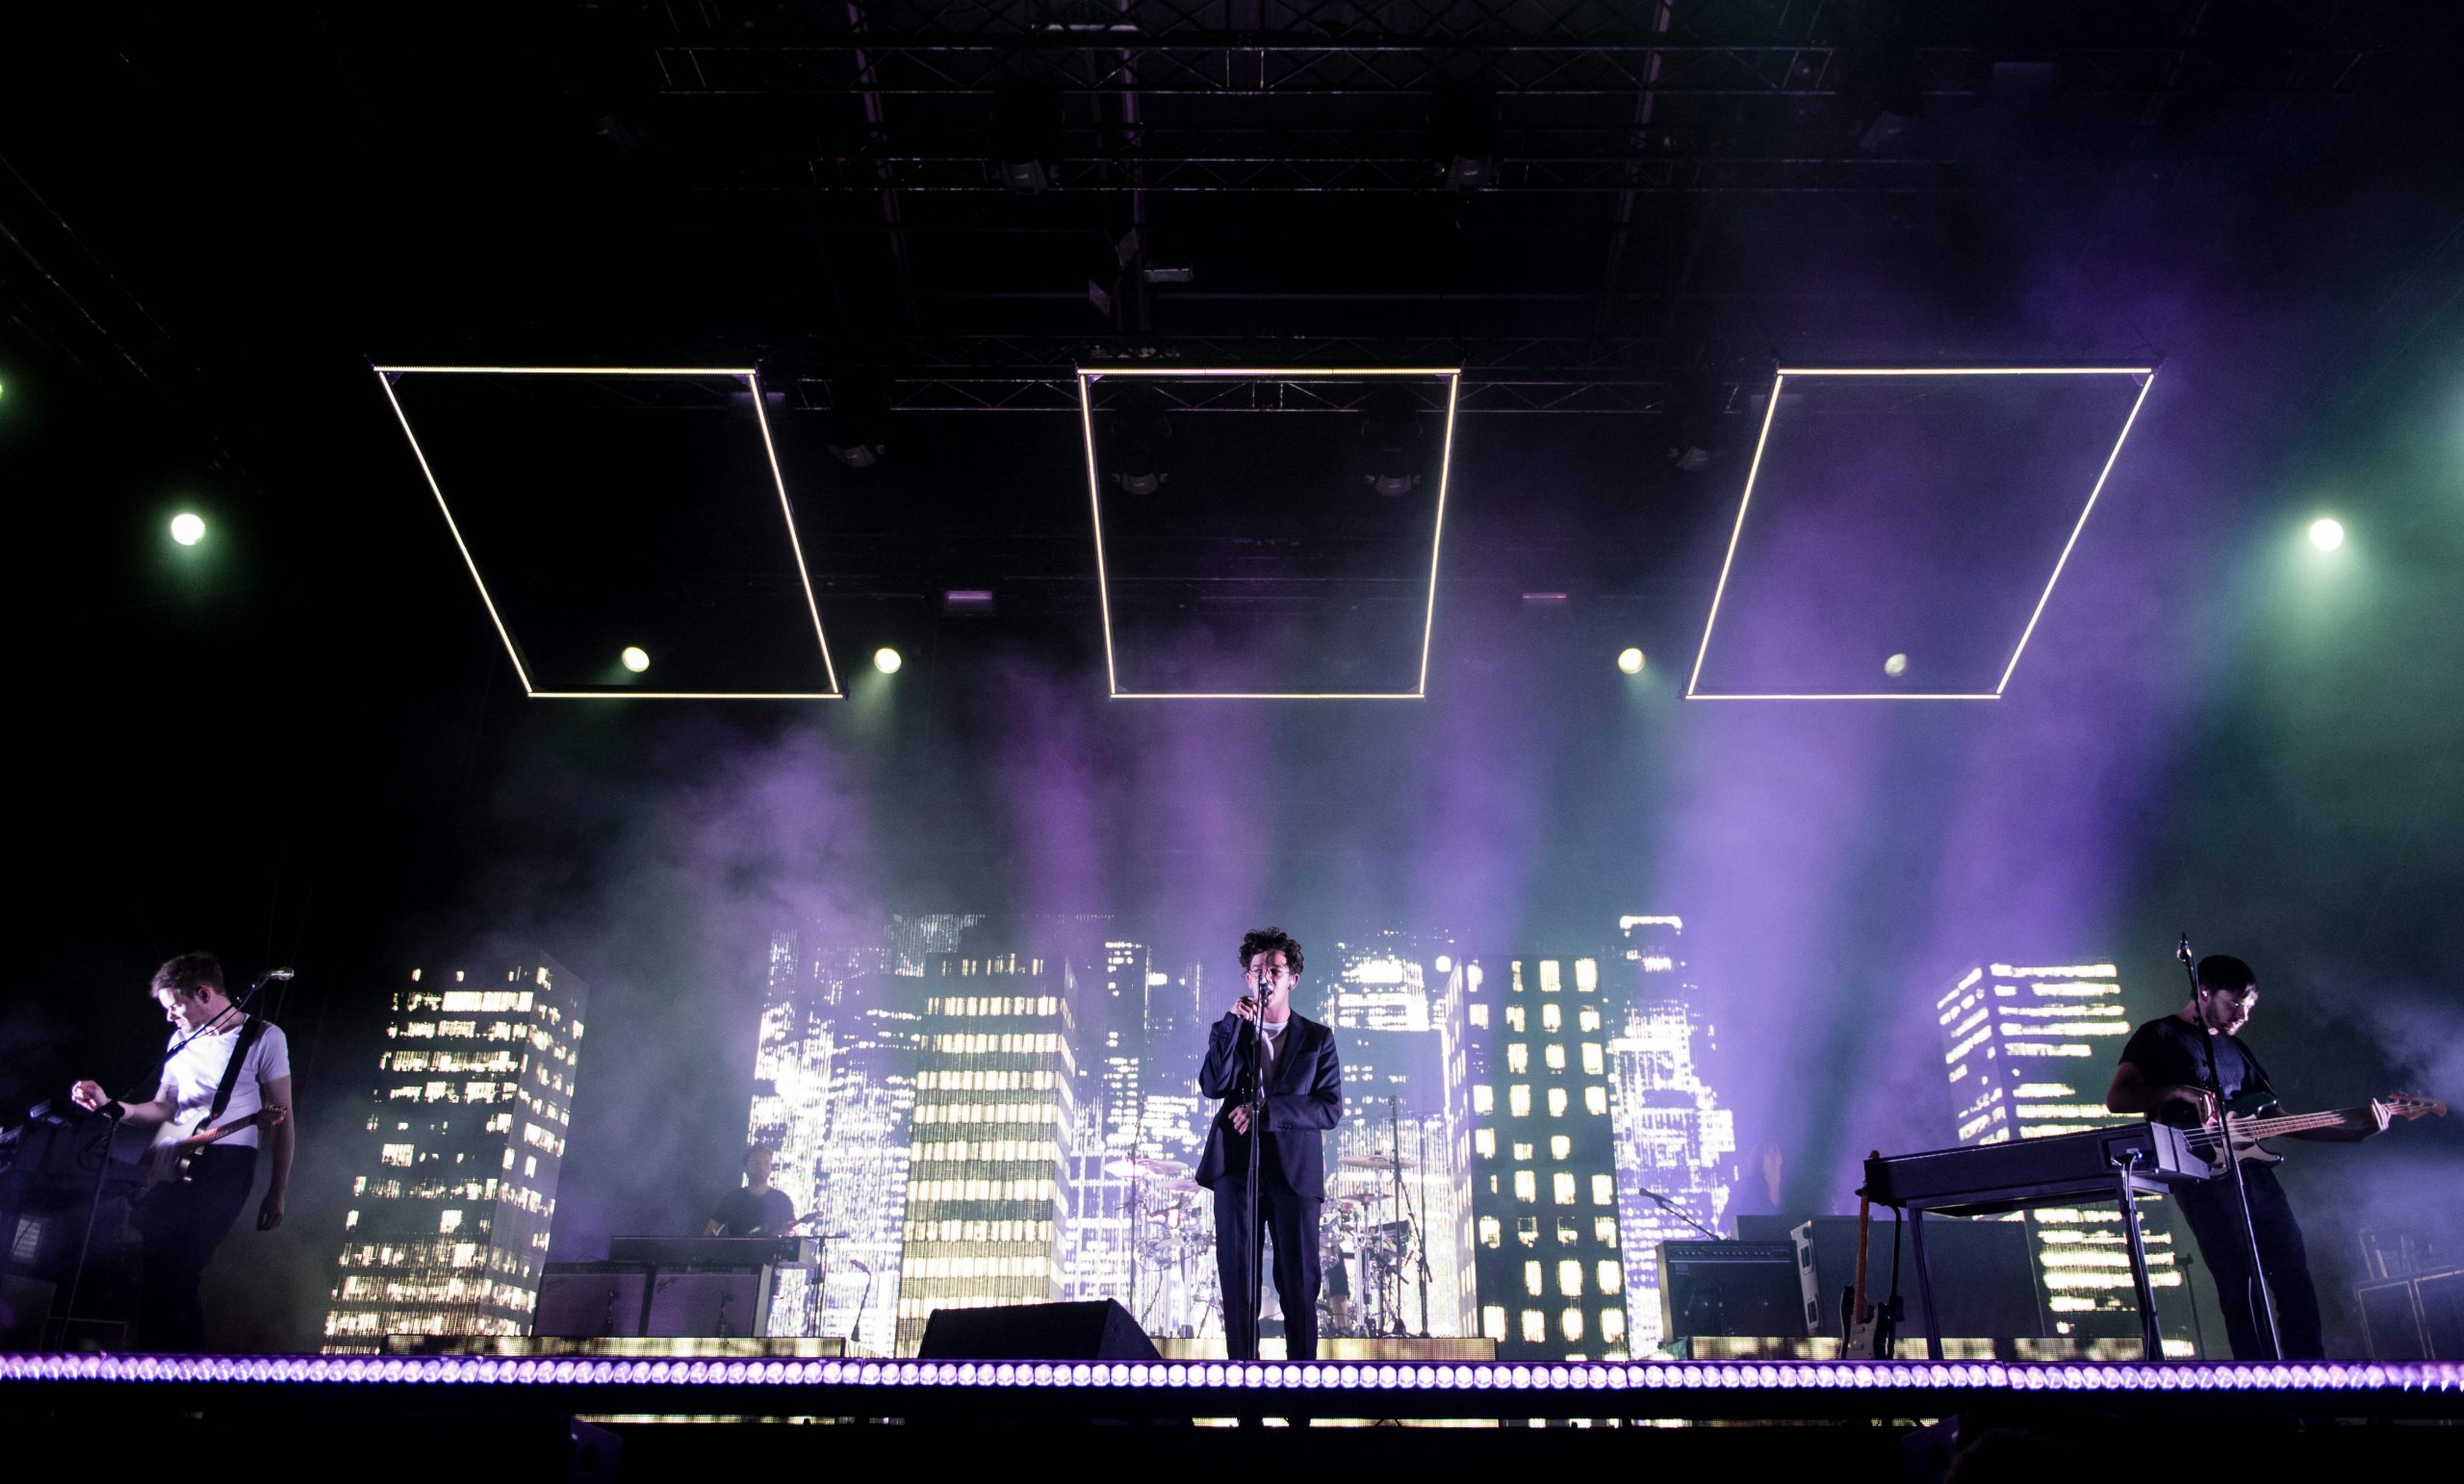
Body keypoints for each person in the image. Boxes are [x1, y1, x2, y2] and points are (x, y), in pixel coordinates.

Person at [2103, 953, 2389, 1359]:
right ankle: (2255, 1381)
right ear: (2204, 992)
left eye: (2249, 1006)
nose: (2243, 1015)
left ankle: (2309, 1375)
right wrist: (2178, 1091)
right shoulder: (2159, 1035)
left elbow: (2279, 1120)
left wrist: (2355, 1134)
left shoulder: (2237, 1050)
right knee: (2239, 1281)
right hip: (2200, 1176)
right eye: (2235, 1002)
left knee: (2293, 1271)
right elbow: (2118, 1098)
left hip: (2254, 1175)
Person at [69, 951, 295, 1351]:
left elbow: (283, 1119)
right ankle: (150, 1363)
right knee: (152, 1268)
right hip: (170, 1162)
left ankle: (185, 1376)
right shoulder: (180, 1041)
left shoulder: (264, 1037)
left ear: (203, 994)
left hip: (225, 1165)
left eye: (174, 1007)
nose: (169, 1017)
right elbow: (163, 1108)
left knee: (181, 1268)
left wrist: (276, 1191)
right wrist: (110, 1107)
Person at [1195, 927, 1343, 1363]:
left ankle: (1301, 1385)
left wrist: (1268, 1110)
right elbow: (1213, 1085)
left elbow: (1329, 1108)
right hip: (1237, 1167)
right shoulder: (1231, 1029)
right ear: (1247, 977)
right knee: (1238, 1278)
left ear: (1292, 979)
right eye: (1258, 968)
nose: (1266, 976)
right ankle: (1243, 1382)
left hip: (1295, 1174)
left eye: (1275, 969)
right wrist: (1230, 1026)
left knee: (1299, 1281)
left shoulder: (1317, 1038)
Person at [706, 1145, 798, 1237]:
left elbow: (791, 1233)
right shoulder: (732, 1199)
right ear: (745, 1168)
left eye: (766, 1163)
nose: (762, 1167)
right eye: (756, 1163)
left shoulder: (782, 1200)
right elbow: (710, 1231)